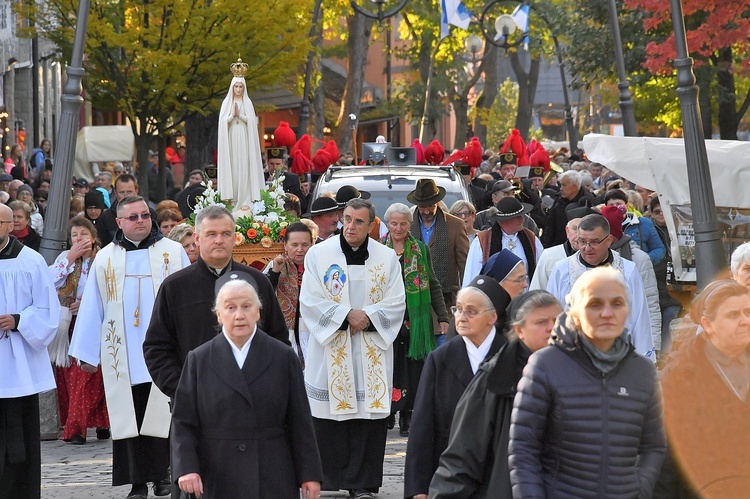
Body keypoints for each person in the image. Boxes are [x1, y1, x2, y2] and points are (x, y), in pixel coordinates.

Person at [69, 195, 190, 499]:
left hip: (164, 350)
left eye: (145, 216)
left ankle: (164, 476)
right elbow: (93, 305)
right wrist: (86, 353)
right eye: (133, 217)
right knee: (129, 415)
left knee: (162, 412)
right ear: (119, 222)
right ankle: (137, 481)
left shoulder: (173, 252)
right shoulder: (106, 257)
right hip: (120, 351)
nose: (140, 221)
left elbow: (188, 301)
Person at [509, 266, 666, 498]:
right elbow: (523, 450)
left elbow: (653, 446)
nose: (607, 313)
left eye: (617, 304)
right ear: (575, 312)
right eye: (595, 304)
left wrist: (637, 490)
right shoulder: (545, 365)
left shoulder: (642, 372)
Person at [171, 280, 323, 499]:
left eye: (246, 306)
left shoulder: (282, 356)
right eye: (230, 307)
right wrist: (186, 467)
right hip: (216, 471)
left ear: (258, 312)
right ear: (219, 315)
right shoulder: (199, 359)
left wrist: (309, 473)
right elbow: (183, 421)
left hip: (273, 470)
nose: (239, 315)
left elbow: (300, 420)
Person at [300, 198, 406, 499]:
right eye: (346, 219)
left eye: (359, 221)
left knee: (367, 419)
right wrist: (346, 315)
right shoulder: (319, 255)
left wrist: (368, 317)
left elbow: (397, 301)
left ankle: (362, 484)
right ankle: (329, 480)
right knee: (329, 416)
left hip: (371, 346)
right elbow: (309, 299)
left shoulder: (386, 258)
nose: (350, 226)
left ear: (371, 225)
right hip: (332, 345)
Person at [144, 204, 289, 402]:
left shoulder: (257, 282)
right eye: (211, 234)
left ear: (234, 237)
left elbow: (278, 340)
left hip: (254, 401)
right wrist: (183, 390)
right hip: (195, 403)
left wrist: (266, 387)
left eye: (226, 233)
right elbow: (156, 348)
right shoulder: (175, 287)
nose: (219, 240)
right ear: (197, 238)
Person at [430, 291, 562, 498]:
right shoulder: (495, 379)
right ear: (519, 330)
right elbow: (462, 458)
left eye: (557, 320)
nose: (552, 329)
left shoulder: (578, 375)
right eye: (541, 322)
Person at [404, 275, 509, 499]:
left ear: (493, 317)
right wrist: (418, 488)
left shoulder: (510, 357)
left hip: (497, 475)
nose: (461, 317)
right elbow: (422, 426)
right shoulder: (440, 359)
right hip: (448, 474)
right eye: (458, 309)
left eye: (471, 311)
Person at [656, 280, 750, 498]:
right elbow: (666, 466)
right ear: (708, 324)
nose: (744, 321)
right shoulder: (678, 378)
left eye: (747, 312)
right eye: (732, 315)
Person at [0, 203, 60, 498]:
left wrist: (18, 320)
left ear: (11, 225)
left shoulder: (31, 262)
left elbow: (49, 310)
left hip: (19, 363)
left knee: (20, 433)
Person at [380, 203, 450, 436]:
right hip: (386, 318)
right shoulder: (378, 248)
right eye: (394, 223)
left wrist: (443, 316)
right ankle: (387, 413)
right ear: (387, 224)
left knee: (413, 370)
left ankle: (407, 418)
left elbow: (433, 284)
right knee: (389, 367)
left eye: (403, 223)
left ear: (410, 224)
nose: (398, 228)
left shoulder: (420, 249)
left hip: (415, 319)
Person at [546, 213, 655, 359]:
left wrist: (644, 363)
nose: (587, 248)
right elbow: (552, 316)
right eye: (582, 241)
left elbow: (640, 318)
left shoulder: (628, 271)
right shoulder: (562, 270)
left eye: (594, 241)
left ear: (609, 240)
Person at [48, 216, 110, 445]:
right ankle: (76, 428)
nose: (79, 238)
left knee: (93, 376)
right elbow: (48, 282)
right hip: (69, 324)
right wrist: (70, 258)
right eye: (74, 235)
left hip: (95, 323)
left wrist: (87, 303)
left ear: (93, 238)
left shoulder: (103, 258)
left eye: (83, 234)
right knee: (74, 377)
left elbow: (110, 288)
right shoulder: (65, 260)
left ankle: (99, 422)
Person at [407, 178, 469, 308]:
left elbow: (464, 264)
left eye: (431, 206)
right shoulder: (407, 224)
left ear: (438, 203)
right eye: (423, 206)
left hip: (446, 299)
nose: (427, 211)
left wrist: (466, 296)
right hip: (412, 298)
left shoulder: (456, 225)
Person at [216, 60, 265, 213]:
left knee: (244, 167)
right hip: (231, 139)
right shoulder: (226, 103)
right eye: (236, 87)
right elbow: (223, 122)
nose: (238, 89)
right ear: (232, 87)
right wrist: (231, 116)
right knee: (233, 167)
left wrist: (241, 116)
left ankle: (245, 198)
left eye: (240, 87)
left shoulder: (247, 102)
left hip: (244, 139)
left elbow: (251, 121)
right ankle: (232, 198)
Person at [463, 197, 544, 287]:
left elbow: (541, 274)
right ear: (505, 220)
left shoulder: (531, 239)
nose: (522, 220)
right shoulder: (482, 241)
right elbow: (471, 278)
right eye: (518, 217)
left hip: (524, 299)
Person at [266, 221, 315, 365]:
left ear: (312, 244)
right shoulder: (276, 264)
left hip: (312, 332)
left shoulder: (317, 265)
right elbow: (263, 294)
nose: (300, 250)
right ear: (285, 245)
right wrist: (275, 272)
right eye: (294, 245)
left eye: (305, 245)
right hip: (285, 334)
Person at [604, 189, 666, 265]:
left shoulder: (644, 223)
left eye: (618, 204)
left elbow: (659, 249)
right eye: (611, 205)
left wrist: (644, 260)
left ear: (626, 205)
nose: (615, 208)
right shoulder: (603, 227)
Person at [541, 170, 595, 247]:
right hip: (558, 245)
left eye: (564, 185)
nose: (561, 188)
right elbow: (550, 225)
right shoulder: (559, 198)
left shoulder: (587, 201)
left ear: (574, 187)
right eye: (560, 185)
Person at [530, 216, 581, 291]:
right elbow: (537, 290)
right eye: (575, 229)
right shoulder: (549, 255)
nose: (579, 236)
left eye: (585, 230)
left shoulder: (601, 256)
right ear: (567, 231)